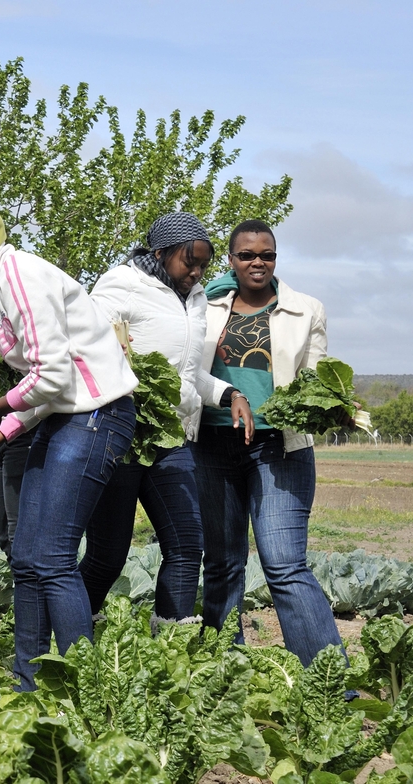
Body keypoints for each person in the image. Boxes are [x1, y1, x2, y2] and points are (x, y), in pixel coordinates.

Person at [0, 191, 138, 690]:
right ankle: (29, 682)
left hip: (96, 416)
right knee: (26, 556)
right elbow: (46, 391)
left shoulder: (19, 275)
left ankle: (83, 686)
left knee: (52, 557)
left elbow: (54, 375)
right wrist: (2, 436)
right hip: (68, 418)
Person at [80, 213, 254, 623]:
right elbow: (85, 344)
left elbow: (189, 375)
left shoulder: (194, 298)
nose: (196, 273)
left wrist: (229, 393)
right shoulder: (122, 284)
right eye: (188, 262)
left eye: (202, 265)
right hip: (122, 437)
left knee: (186, 546)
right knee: (108, 555)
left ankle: (170, 643)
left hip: (172, 441)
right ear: (160, 253)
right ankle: (67, 632)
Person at [196, 219, 342, 666]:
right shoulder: (204, 306)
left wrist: (332, 406)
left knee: (283, 564)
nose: (258, 262)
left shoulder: (305, 309)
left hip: (278, 447)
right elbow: (187, 367)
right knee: (221, 564)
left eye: (267, 255)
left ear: (276, 259)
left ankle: (329, 680)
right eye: (246, 255)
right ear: (231, 259)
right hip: (212, 444)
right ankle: (227, 670)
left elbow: (315, 378)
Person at [0, 367, 34, 557]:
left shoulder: (26, 348)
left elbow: (35, 394)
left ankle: (30, 585)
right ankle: (21, 584)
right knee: (2, 534)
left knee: (18, 534)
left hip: (23, 439)